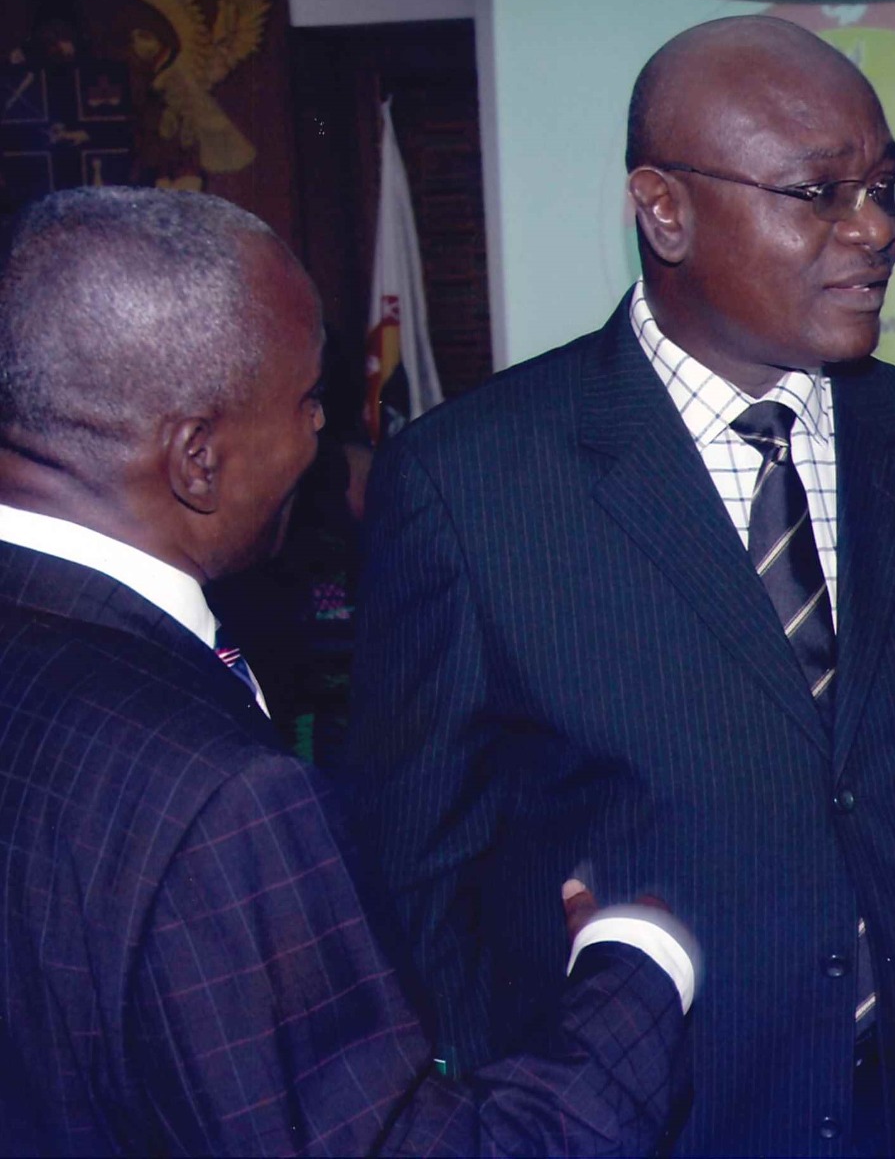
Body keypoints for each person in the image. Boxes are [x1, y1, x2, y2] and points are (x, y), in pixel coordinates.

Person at [348, 15, 895, 1156]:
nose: (879, 229)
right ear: (663, 207)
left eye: (886, 184)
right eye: (819, 193)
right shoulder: (473, 482)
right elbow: (417, 877)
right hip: (646, 1121)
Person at [0, 186, 697, 1156]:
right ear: (198, 458)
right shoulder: (227, 803)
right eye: (304, 400)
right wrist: (636, 965)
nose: (322, 431)